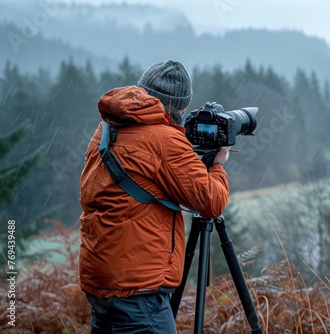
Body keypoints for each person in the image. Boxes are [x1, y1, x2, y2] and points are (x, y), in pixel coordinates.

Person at [79, 60, 231, 333]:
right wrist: (218, 164)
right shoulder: (164, 140)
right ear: (177, 107)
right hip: (138, 288)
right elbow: (213, 201)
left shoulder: (106, 128)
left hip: (101, 277)